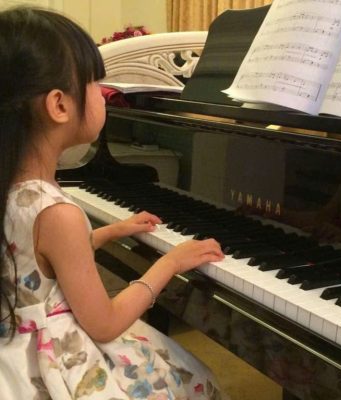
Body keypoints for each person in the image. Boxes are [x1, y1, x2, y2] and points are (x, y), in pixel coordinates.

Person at [0, 6, 226, 400]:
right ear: (59, 105)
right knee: (194, 379)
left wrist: (111, 231)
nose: (104, 94)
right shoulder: (57, 214)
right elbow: (104, 324)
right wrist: (171, 262)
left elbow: (38, 262)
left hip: (15, 347)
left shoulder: (15, 187)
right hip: (58, 361)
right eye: (96, 83)